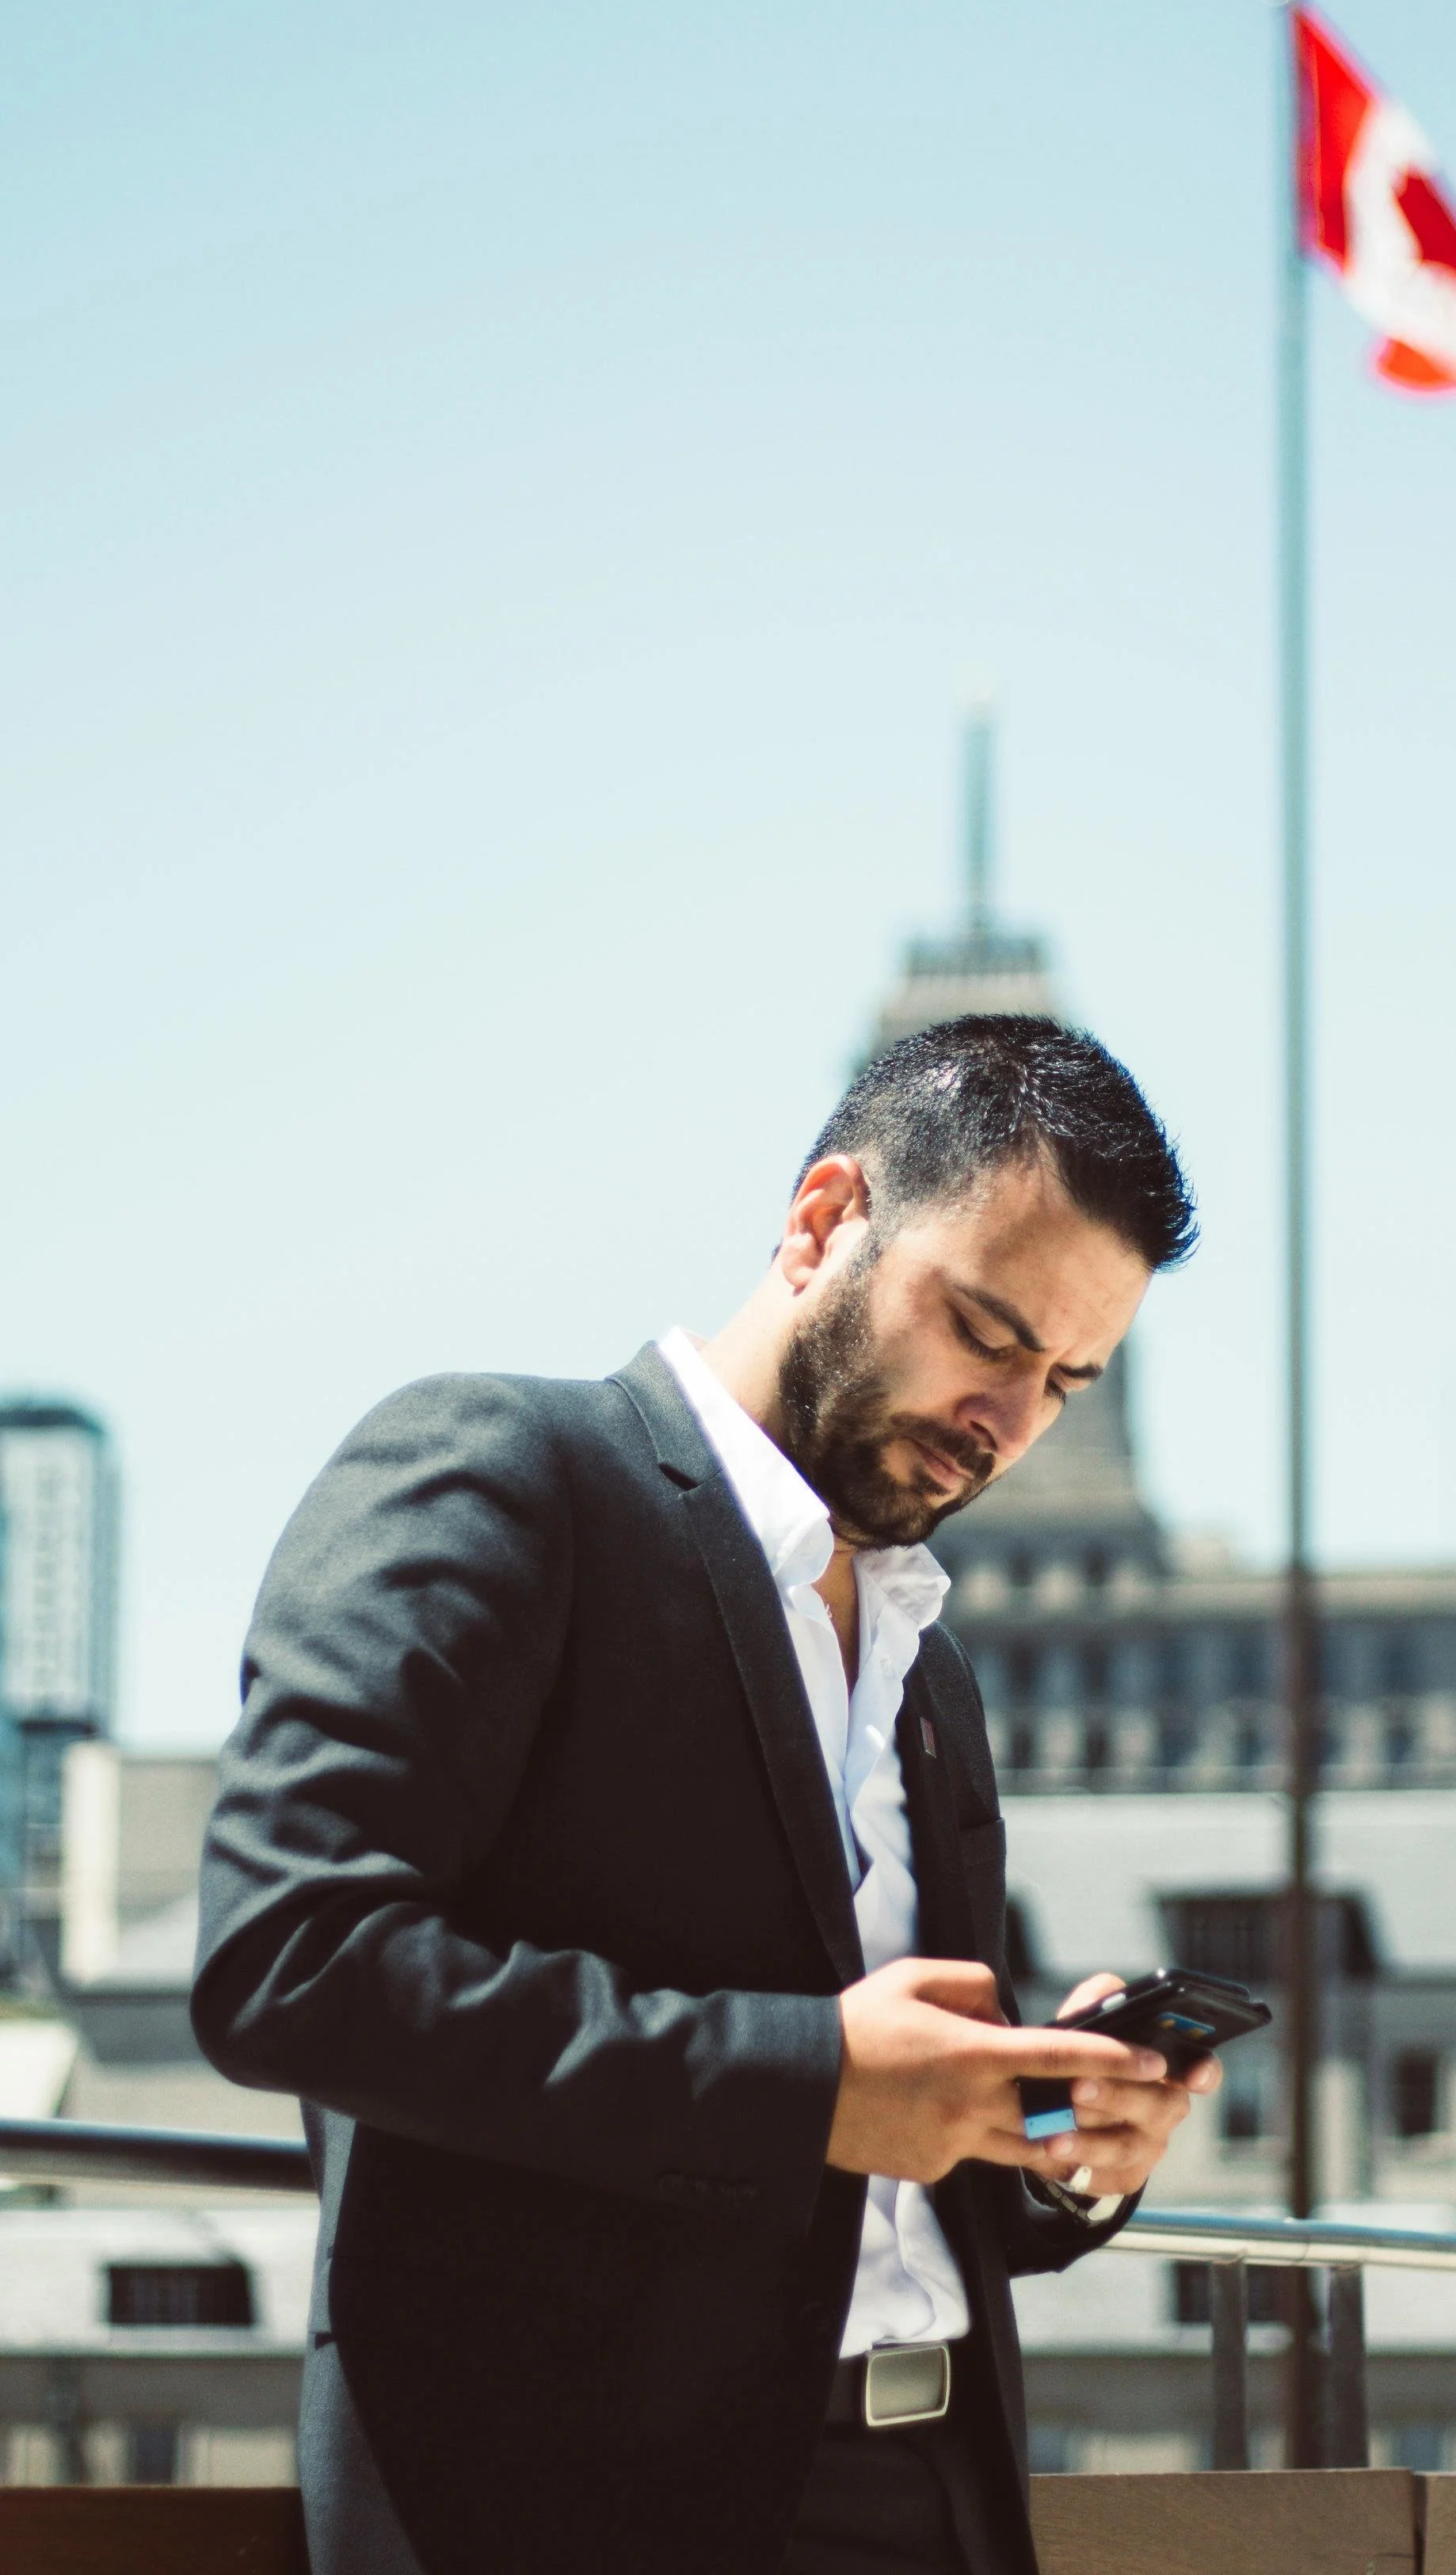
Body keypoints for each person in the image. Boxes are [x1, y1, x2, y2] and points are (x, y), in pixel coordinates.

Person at [192, 1013, 1214, 2575]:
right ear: (823, 1222)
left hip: (937, 2501)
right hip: (575, 2518)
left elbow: (866, 2169)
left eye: (1068, 1382)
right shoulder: (499, 1478)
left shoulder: (929, 1662)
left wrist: (1058, 2137)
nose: (1009, 1422)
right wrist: (812, 2080)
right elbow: (291, 1962)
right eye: (991, 1336)